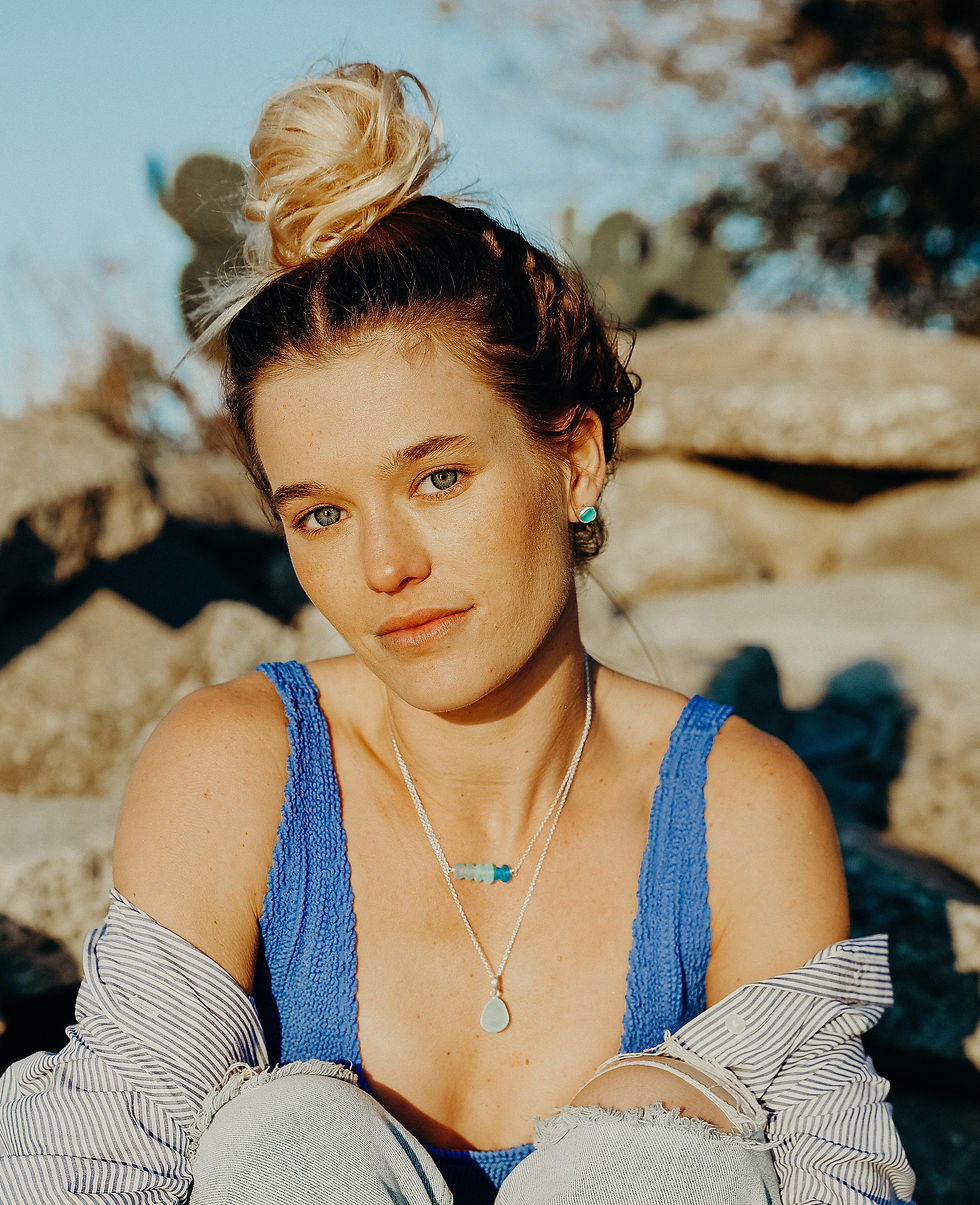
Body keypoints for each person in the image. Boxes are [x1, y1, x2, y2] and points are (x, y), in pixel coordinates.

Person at [0, 62, 914, 1205]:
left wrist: (669, 1129)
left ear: (573, 460)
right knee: (294, 1135)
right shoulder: (239, 766)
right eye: (320, 513)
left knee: (649, 1160)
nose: (384, 565)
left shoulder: (735, 809)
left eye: (437, 477)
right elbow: (86, 1165)